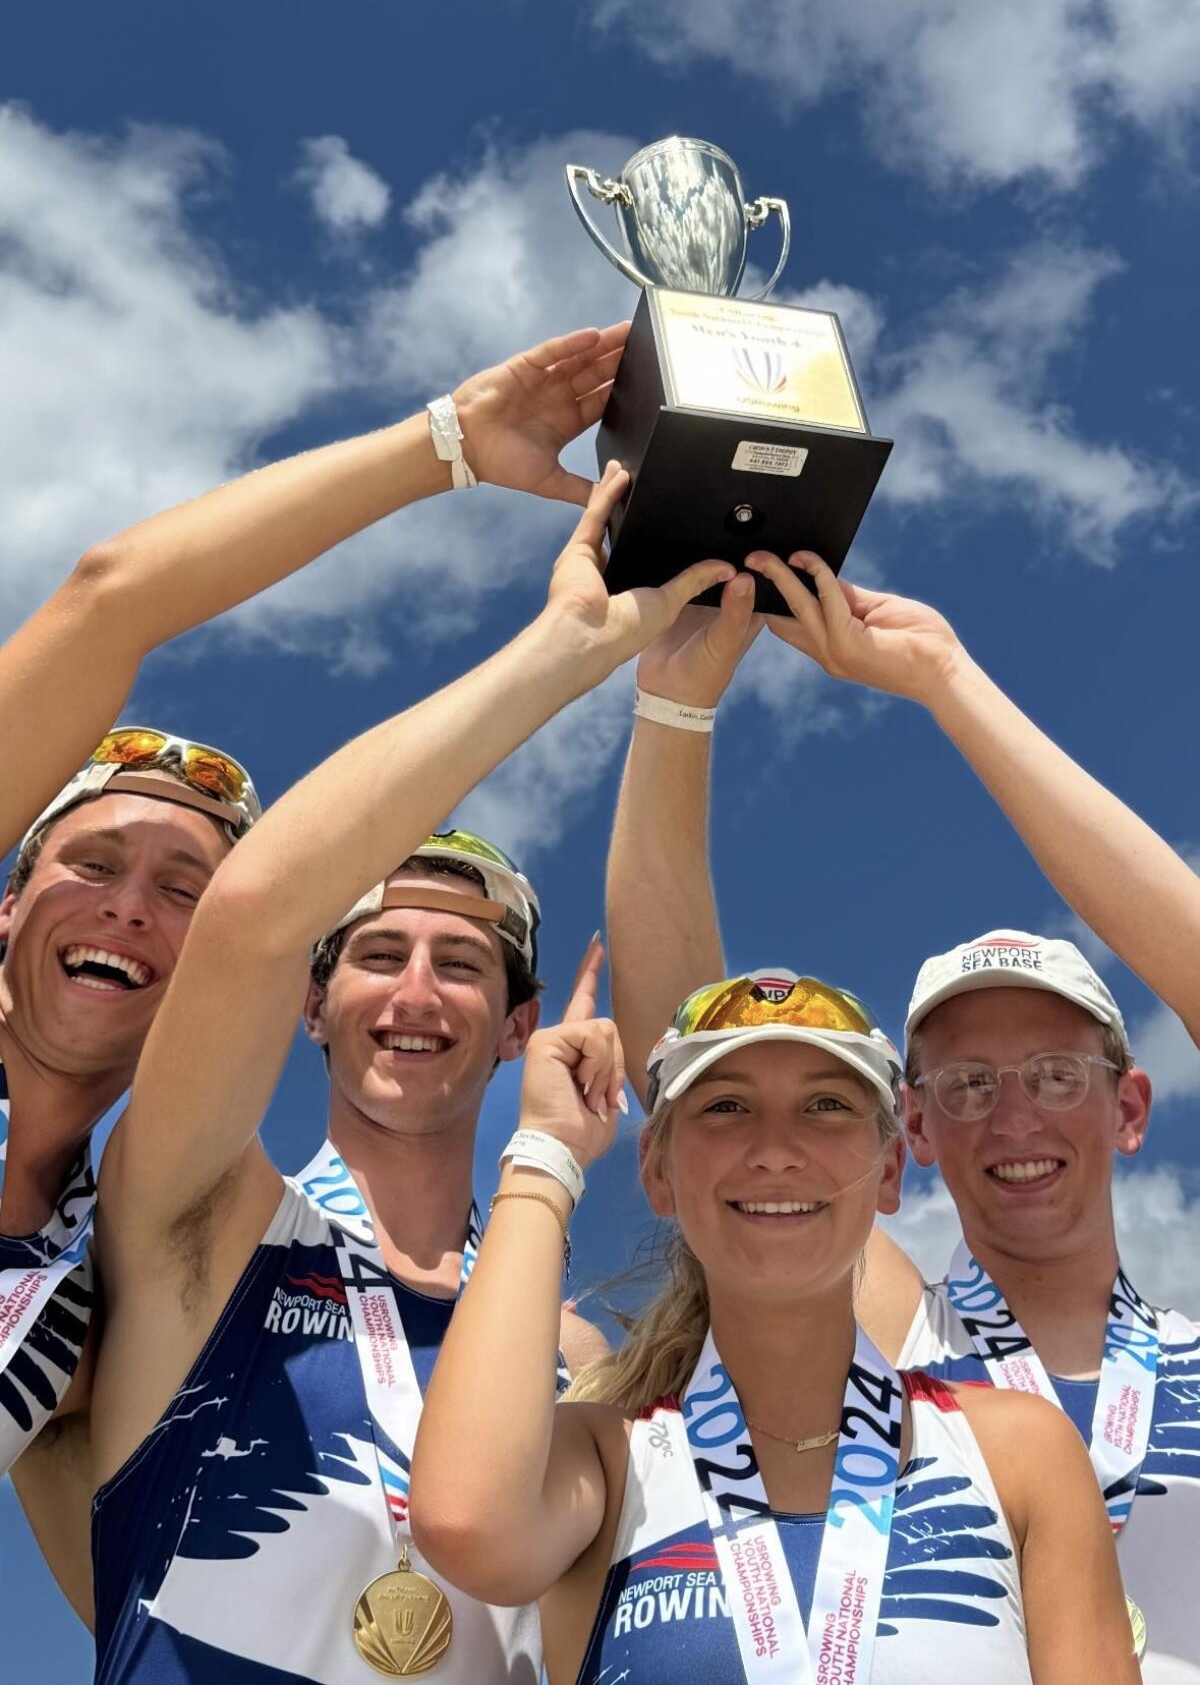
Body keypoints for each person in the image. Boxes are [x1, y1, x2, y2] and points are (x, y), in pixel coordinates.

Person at [0, 318, 626, 1620]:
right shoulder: (171, 1228)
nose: (134, 907)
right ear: (6, 904)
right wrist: (443, 443)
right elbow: (112, 593)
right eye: (93, 862)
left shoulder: (78, 1256)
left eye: (186, 889)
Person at [86, 465, 735, 1683]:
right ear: (310, 1003)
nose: (419, 994)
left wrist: (677, 711)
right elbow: (248, 914)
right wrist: (567, 649)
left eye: (463, 966)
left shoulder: (569, 1340)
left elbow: (725, 1118)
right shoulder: (203, 1219)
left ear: (515, 1021)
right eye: (378, 955)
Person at [605, 547, 1200, 1680]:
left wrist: (947, 680)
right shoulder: (889, 1336)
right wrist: (672, 708)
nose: (1012, 1117)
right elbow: (683, 1065)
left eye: (1055, 1075)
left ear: (1130, 1106)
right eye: (967, 1085)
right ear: (912, 1136)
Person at [409, 961, 1140, 1683]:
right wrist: (548, 1147)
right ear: (658, 1170)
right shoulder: (607, 1460)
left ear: (888, 1171)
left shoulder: (1021, 1453)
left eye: (826, 1105)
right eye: (726, 1106)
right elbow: (465, 1525)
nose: (777, 1150)